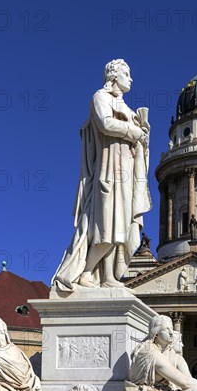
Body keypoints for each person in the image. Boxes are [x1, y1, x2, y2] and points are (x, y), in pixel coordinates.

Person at [52, 59, 152, 292]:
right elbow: (106, 124)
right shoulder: (100, 98)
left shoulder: (127, 109)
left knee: (123, 228)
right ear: (114, 76)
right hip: (109, 169)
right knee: (107, 226)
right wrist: (135, 131)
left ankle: (108, 276)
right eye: (127, 73)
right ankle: (87, 271)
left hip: (127, 173)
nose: (131, 79)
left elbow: (136, 142)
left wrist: (144, 138)